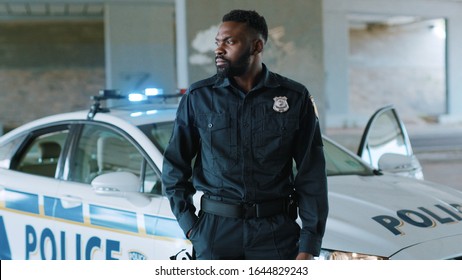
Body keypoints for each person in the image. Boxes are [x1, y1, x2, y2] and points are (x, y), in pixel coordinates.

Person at [162, 9, 328, 260]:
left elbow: (311, 173)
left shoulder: (294, 97)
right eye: (218, 42)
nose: (219, 49)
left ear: (256, 46)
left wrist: (309, 245)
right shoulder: (199, 97)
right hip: (215, 233)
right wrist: (192, 228)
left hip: (276, 234)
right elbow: (175, 166)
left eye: (230, 42)